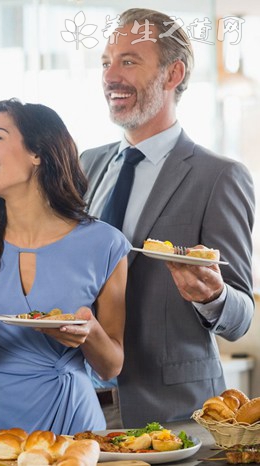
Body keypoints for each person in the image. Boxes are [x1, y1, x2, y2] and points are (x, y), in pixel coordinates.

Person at [81, 8, 255, 428]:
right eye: (106, 62)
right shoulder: (86, 166)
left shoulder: (219, 177)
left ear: (173, 74)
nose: (110, 77)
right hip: (82, 407)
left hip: (173, 414)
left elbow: (241, 315)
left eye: (129, 61)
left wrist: (212, 296)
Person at [0, 99, 130, 457]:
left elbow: (111, 364)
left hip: (74, 431)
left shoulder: (106, 244)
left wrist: (88, 333)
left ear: (37, 152)